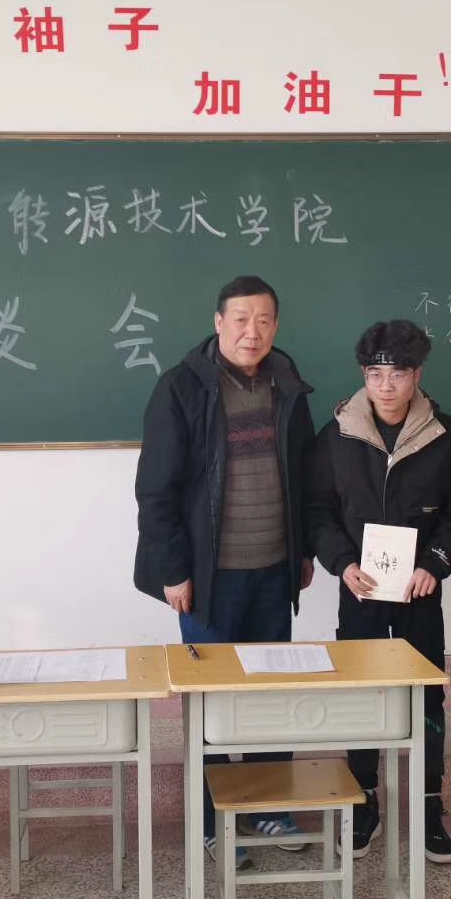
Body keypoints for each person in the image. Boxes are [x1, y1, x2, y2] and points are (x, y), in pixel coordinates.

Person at [133, 275, 316, 866]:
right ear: (218, 323)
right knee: (212, 699)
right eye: (240, 319)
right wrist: (173, 570)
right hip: (208, 578)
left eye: (263, 320)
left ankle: (268, 807)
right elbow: (155, 489)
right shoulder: (181, 387)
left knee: (269, 694)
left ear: (276, 326)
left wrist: (305, 551)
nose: (251, 332)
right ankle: (213, 821)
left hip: (274, 570)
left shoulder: (288, 384)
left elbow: (305, 476)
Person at [305, 319, 451, 864]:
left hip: (416, 591)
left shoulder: (446, 436)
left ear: (417, 375)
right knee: (361, 692)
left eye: (398, 374)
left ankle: (429, 804)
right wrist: (341, 563)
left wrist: (434, 564)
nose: (386, 385)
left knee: (426, 693)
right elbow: (318, 510)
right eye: (375, 373)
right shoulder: (337, 434)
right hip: (360, 589)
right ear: (364, 374)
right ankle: (364, 800)